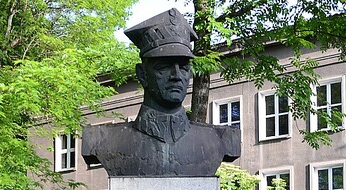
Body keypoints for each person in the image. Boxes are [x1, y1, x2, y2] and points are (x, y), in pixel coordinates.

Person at [81, 8, 240, 177]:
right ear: (142, 74)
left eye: (184, 67)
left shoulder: (220, 140)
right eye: (164, 67)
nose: (177, 76)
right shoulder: (102, 140)